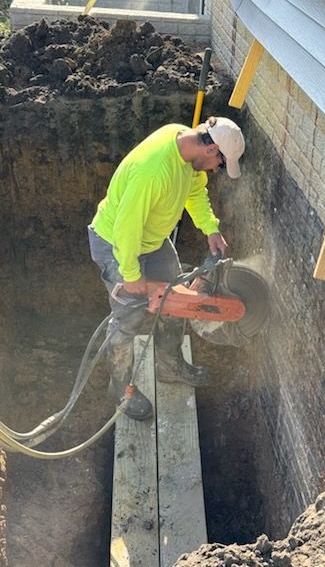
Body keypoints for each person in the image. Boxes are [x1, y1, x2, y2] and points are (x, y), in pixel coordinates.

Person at [88, 116, 245, 420]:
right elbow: (126, 228)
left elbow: (195, 191)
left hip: (151, 239)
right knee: (127, 320)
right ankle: (120, 389)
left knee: (178, 302)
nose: (216, 171)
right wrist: (132, 277)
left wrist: (210, 228)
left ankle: (169, 365)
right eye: (220, 165)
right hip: (116, 242)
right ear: (212, 149)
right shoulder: (154, 171)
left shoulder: (186, 148)